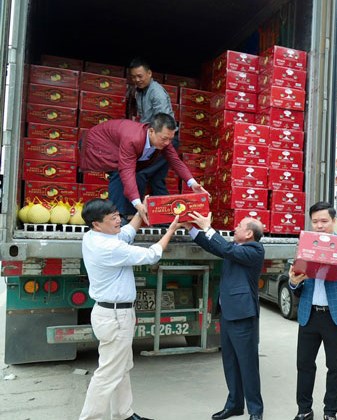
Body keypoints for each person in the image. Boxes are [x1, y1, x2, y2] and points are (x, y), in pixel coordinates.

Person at [78, 199, 179, 420]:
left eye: (117, 214)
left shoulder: (93, 236)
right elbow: (152, 255)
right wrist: (171, 230)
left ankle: (124, 413)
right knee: (108, 373)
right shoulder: (109, 248)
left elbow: (126, 233)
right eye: (112, 218)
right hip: (115, 315)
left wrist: (141, 212)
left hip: (112, 313)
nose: (118, 219)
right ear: (96, 224)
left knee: (121, 365)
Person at [184, 212, 265, 420]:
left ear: (248, 233)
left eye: (239, 226)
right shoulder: (236, 248)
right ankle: (235, 404)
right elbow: (215, 246)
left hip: (242, 314)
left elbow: (224, 247)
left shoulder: (255, 250)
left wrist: (208, 227)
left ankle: (255, 411)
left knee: (247, 364)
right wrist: (191, 229)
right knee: (230, 361)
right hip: (228, 312)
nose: (234, 228)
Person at [288, 202, 337, 420]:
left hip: (334, 316)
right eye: (315, 221)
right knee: (304, 364)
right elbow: (295, 280)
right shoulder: (305, 243)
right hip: (309, 314)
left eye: (324, 221)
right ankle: (304, 410)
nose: (319, 226)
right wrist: (293, 281)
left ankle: (330, 412)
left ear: (334, 221)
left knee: (334, 367)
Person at [79, 114, 207, 224]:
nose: (168, 143)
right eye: (164, 139)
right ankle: (119, 217)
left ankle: (131, 215)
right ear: (151, 131)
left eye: (170, 139)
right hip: (99, 144)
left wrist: (193, 184)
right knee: (119, 171)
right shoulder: (132, 139)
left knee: (139, 175)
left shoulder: (162, 139)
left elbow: (175, 161)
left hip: (118, 146)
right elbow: (126, 170)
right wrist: (138, 203)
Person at [127, 58, 178, 198]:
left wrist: (156, 142)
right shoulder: (139, 91)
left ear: (149, 73)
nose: (137, 80)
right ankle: (164, 219)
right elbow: (143, 118)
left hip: (162, 139)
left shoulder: (157, 93)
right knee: (156, 180)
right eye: (133, 77)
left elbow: (163, 124)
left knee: (140, 174)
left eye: (140, 76)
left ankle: (134, 214)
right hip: (152, 138)